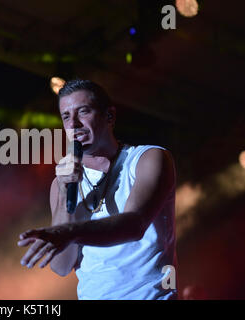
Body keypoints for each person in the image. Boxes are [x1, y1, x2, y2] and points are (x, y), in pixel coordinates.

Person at [17, 79, 178, 300]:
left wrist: (68, 232)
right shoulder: (61, 182)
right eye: (66, 116)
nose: (73, 124)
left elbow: (134, 225)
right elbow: (62, 267)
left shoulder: (148, 158)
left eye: (83, 112)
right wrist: (65, 195)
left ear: (109, 116)